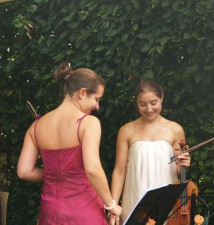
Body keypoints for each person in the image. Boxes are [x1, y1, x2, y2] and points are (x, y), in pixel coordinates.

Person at [17, 62, 121, 225]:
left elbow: (24, 171)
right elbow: (92, 168)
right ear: (83, 93)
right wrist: (111, 204)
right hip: (83, 211)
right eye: (96, 99)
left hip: (50, 212)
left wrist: (56, 174)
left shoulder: (36, 127)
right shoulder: (88, 123)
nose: (97, 106)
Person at [109, 79, 191, 225]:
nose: (148, 109)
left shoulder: (175, 129)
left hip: (166, 201)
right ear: (137, 103)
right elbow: (120, 170)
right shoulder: (127, 130)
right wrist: (113, 206)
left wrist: (183, 164)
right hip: (136, 197)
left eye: (153, 103)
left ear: (161, 99)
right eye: (142, 104)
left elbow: (178, 171)